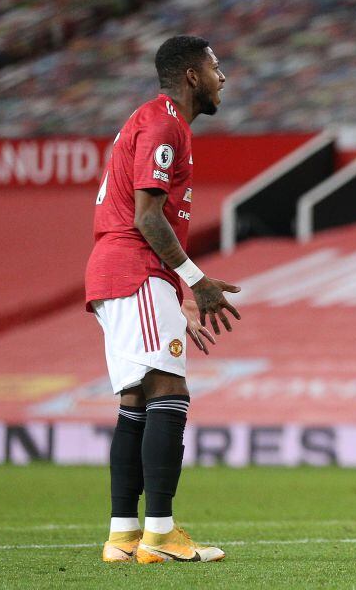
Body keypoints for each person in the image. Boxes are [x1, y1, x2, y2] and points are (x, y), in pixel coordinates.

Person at [86, 35, 239, 564]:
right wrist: (196, 281)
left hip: (121, 272)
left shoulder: (154, 120)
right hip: (135, 268)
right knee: (169, 390)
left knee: (135, 400)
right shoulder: (163, 124)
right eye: (215, 67)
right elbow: (147, 217)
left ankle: (123, 536)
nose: (223, 77)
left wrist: (176, 295)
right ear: (192, 76)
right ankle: (161, 534)